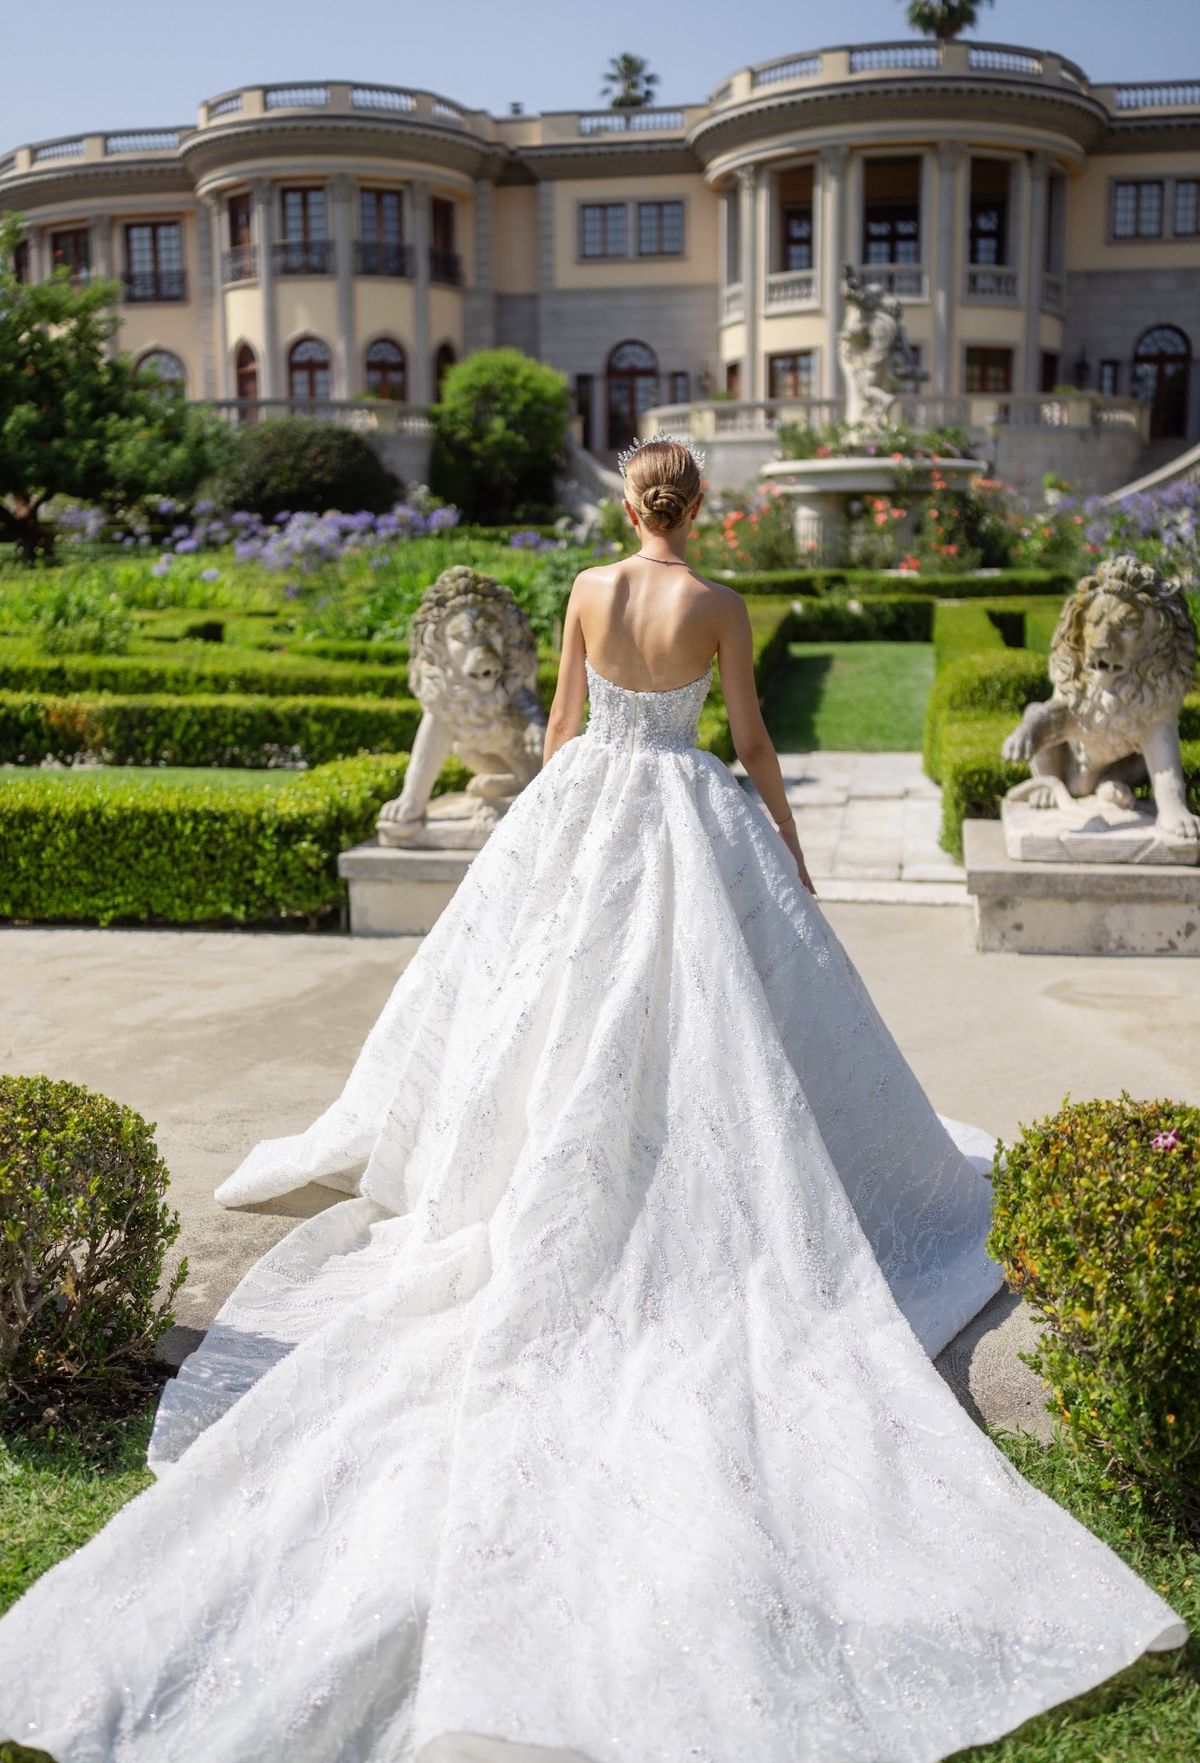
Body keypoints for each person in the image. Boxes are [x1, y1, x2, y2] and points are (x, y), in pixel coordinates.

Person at [0, 437, 1187, 1762]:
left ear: (633, 505)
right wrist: (784, 849)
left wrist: (545, 838)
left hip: (591, 812)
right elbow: (745, 743)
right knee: (717, 1017)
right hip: (687, 809)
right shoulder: (722, 605)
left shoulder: (582, 588)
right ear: (706, 510)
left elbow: (560, 727)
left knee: (558, 1011)